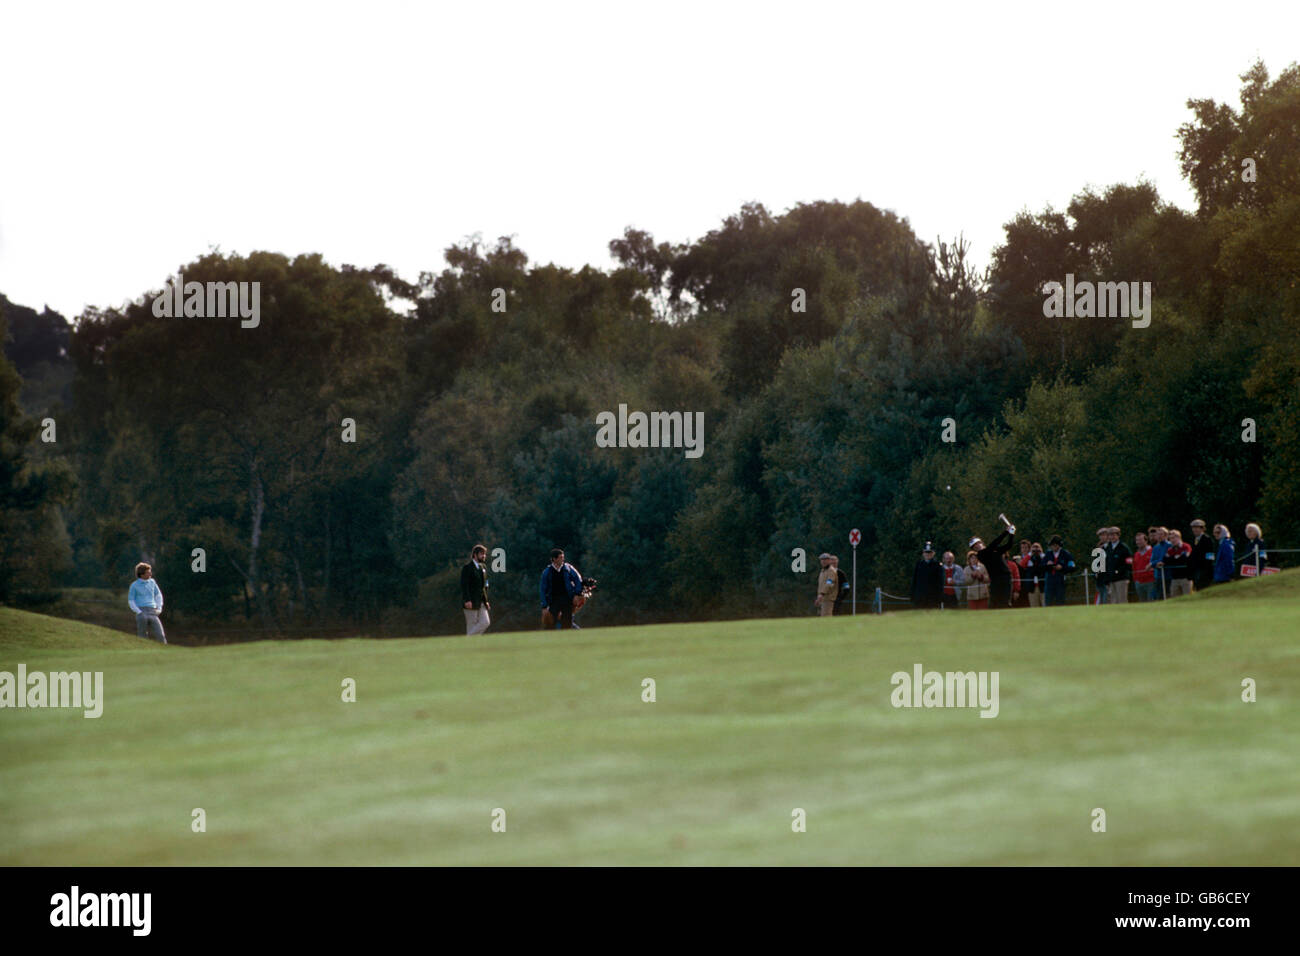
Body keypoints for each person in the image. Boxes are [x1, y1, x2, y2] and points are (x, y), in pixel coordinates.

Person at [970, 524, 1015, 609]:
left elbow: (1008, 546)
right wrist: (1006, 532)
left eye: (978, 543)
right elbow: (994, 544)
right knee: (995, 602)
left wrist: (1012, 534)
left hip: (1005, 577)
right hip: (995, 579)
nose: (977, 546)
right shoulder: (981, 555)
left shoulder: (994, 550)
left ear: (982, 543)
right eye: (974, 546)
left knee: (1005, 601)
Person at [540, 548, 584, 629]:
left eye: (563, 557)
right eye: (560, 557)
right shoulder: (547, 572)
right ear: (554, 559)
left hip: (567, 599)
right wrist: (544, 605)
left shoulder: (568, 569)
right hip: (553, 600)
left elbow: (578, 580)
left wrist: (577, 594)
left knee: (567, 621)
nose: (563, 559)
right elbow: (543, 590)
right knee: (550, 622)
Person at [128, 562, 166, 644]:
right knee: (142, 636)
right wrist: (139, 612)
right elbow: (131, 601)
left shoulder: (152, 582)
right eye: (148, 572)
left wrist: (159, 608)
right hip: (141, 612)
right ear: (142, 574)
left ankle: (165, 653)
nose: (150, 574)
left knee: (160, 635)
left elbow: (158, 595)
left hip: (152, 611)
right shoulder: (134, 585)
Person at [460, 544, 491, 635]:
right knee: (471, 625)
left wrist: (486, 601)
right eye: (482, 554)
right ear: (475, 554)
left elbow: (485, 586)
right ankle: (471, 645)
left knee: (485, 622)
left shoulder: (483, 567)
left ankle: (467, 639)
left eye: (484, 554)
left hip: (481, 601)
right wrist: (467, 600)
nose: (484, 556)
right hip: (470, 601)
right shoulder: (467, 568)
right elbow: (464, 585)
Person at [910, 543, 943, 609]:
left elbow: (940, 583)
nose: (928, 554)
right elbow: (914, 581)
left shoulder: (937, 565)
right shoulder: (919, 565)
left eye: (930, 552)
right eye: (926, 552)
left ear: (933, 553)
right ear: (923, 553)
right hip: (920, 597)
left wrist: (939, 597)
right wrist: (912, 595)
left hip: (933, 598)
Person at [1042, 535, 1074, 607]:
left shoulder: (1066, 554)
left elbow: (1072, 566)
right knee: (1048, 601)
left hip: (1060, 580)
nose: (1053, 547)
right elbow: (1041, 566)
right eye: (1052, 545)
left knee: (1060, 601)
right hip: (1049, 581)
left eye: (1055, 545)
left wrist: (1062, 567)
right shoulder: (1048, 554)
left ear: (1059, 545)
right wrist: (1047, 565)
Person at [1162, 530, 1193, 598]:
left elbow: (1185, 558)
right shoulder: (1170, 550)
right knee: (1175, 598)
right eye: (1170, 539)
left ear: (1179, 537)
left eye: (1173, 538)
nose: (1172, 540)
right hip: (1174, 578)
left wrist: (1172, 559)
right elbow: (1166, 560)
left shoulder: (1186, 546)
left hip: (1186, 577)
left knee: (1188, 598)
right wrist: (1176, 558)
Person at [1106, 527, 1132, 604]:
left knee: (1122, 600)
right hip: (1111, 579)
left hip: (1121, 578)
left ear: (1118, 535)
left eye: (1114, 535)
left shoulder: (1124, 548)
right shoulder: (1108, 548)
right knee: (1113, 600)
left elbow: (1129, 563)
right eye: (1110, 535)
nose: (1112, 537)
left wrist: (1118, 571)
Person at [1188, 519, 1215, 592]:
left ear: (1202, 529)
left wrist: (1206, 569)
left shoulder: (1207, 539)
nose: (1194, 529)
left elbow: (1210, 555)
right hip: (1196, 570)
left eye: (1197, 527)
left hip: (1204, 570)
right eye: (1193, 528)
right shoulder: (1194, 540)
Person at [1131, 531, 1154, 602]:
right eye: (1137, 540)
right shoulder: (1136, 554)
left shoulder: (1152, 551)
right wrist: (1136, 580)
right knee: (1142, 602)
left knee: (1151, 601)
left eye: (1140, 540)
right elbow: (1134, 568)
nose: (1138, 542)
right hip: (1139, 582)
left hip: (1150, 581)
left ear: (1146, 540)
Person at [1148, 527, 1170, 600]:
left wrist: (1155, 563)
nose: (1159, 536)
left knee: (1168, 595)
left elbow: (1164, 558)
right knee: (1158, 597)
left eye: (1161, 534)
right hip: (1158, 576)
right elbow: (1151, 561)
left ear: (1166, 535)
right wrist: (1155, 563)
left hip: (1168, 575)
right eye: (1158, 534)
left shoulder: (1169, 545)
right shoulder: (1156, 547)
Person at [814, 552, 837, 617]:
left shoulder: (831, 571)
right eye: (822, 559)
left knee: (826, 616)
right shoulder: (823, 571)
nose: (823, 561)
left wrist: (822, 594)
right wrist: (819, 597)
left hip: (828, 598)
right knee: (822, 616)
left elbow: (829, 583)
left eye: (825, 559)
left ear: (829, 560)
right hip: (822, 598)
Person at [1094, 527, 1112, 603]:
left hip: (1108, 579)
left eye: (1103, 535)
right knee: (1101, 600)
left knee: (1107, 599)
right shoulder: (1099, 548)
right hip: (1100, 579)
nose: (1101, 537)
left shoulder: (1111, 547)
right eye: (1100, 535)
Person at [1013, 540, 1033, 607]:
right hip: (1021, 585)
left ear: (1029, 549)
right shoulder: (1016, 559)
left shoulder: (1033, 558)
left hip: (1030, 585)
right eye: (1022, 548)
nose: (1024, 549)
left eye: (1026, 547)